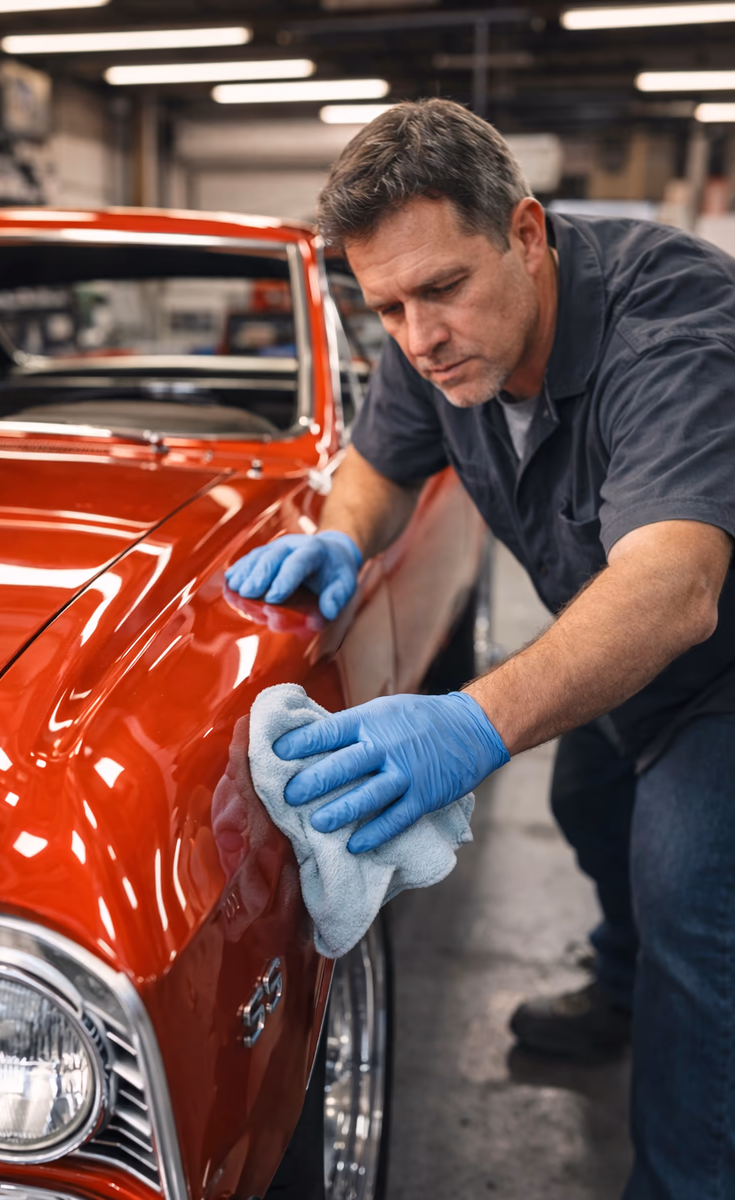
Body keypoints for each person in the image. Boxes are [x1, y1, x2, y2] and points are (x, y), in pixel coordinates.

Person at [225, 99, 735, 1199]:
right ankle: (618, 983)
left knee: (697, 901)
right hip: (625, 643)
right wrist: (337, 538)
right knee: (589, 805)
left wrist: (475, 718)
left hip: (719, 663)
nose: (419, 337)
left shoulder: (675, 330)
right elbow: (378, 463)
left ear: (526, 234)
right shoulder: (434, 333)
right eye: (389, 307)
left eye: (442, 292)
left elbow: (674, 588)